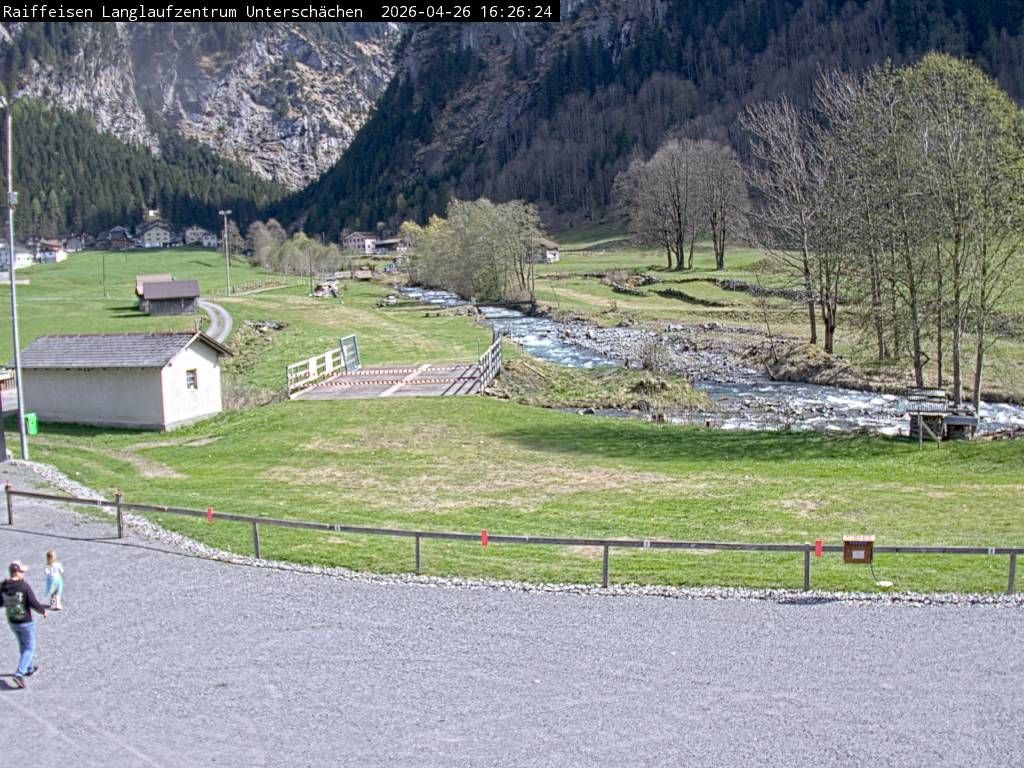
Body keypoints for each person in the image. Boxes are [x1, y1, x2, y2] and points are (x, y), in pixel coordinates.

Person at [1, 561, 47, 688]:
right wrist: (43, 611)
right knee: (29, 648)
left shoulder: (3, 586)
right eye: (22, 571)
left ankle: (29, 667)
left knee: (22, 645)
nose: (24, 574)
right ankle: (19, 673)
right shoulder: (23, 587)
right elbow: (33, 602)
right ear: (17, 572)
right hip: (25, 622)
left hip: (13, 621)